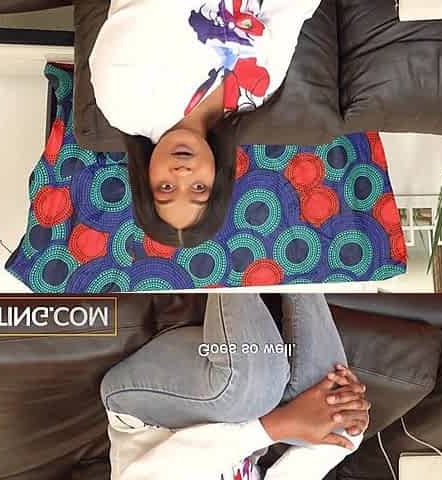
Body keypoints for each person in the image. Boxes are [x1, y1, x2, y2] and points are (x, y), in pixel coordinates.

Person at [90, 0, 323, 247]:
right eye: (199, 187)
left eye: (166, 187)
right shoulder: (255, 94)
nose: (182, 173)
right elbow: (292, 11)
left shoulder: (123, 103)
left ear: (145, 179)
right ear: (217, 180)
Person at [99, 294, 371, 479]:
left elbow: (162, 470)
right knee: (334, 415)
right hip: (239, 412)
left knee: (248, 391)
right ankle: (299, 246)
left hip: (148, 414)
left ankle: (232, 248)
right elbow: (313, 462)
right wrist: (350, 419)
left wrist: (277, 426)